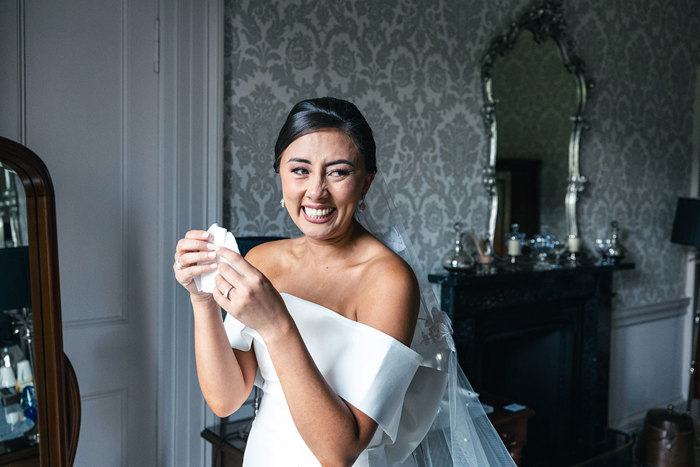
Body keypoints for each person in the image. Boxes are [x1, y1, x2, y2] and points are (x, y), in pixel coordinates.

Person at [173, 97, 514, 466]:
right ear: (280, 176)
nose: (317, 191)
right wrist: (202, 300)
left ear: (366, 183)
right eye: (300, 170)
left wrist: (277, 324)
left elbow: (340, 452)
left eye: (338, 172)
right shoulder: (262, 261)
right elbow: (225, 399)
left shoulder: (388, 280)